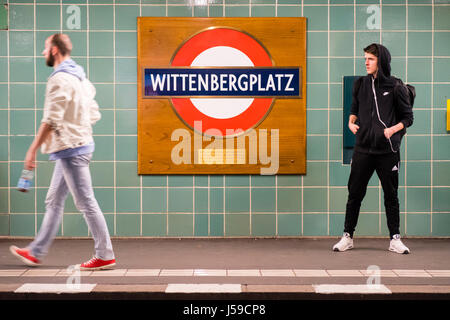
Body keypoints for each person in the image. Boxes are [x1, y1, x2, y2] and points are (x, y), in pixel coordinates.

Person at [9, 34, 116, 270]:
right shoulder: (80, 77)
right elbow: (94, 112)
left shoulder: (59, 79)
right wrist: (77, 127)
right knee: (54, 200)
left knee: (85, 201)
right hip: (76, 145)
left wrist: (32, 150)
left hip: (71, 149)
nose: (42, 52)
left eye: (45, 48)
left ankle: (105, 254)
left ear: (55, 50)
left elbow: (51, 119)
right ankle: (35, 252)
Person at [333, 43, 413, 254]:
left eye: (371, 59)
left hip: (387, 152)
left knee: (391, 195)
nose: (366, 62)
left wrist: (393, 130)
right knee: (354, 194)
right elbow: (354, 110)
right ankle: (347, 237)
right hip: (363, 150)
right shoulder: (360, 84)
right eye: (365, 58)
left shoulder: (396, 87)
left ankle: (395, 239)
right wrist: (351, 123)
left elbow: (408, 118)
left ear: (381, 62)